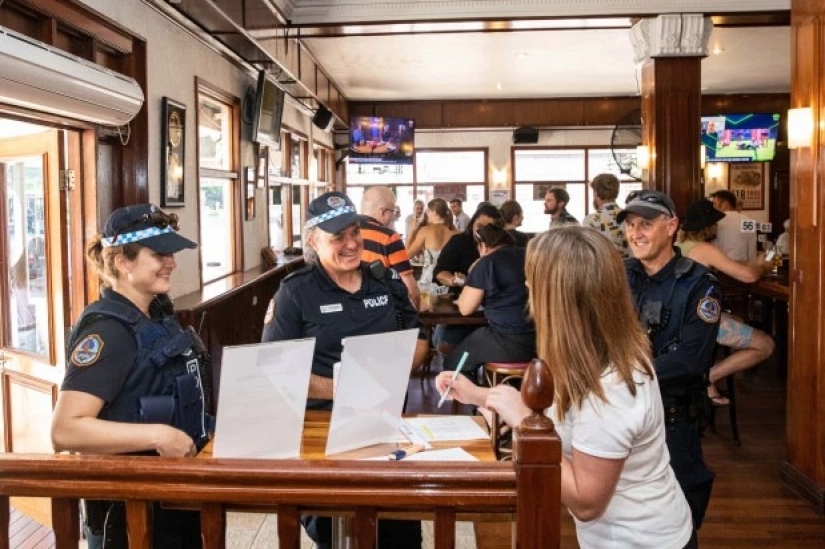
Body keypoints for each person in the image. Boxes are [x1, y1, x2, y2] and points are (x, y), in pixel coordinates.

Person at [436, 227, 694, 549]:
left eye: (532, 280)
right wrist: (481, 397)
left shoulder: (611, 388)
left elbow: (586, 503)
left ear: (558, 296)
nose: (527, 287)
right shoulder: (591, 353)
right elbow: (566, 425)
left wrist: (523, 423)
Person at [261, 191, 428, 549]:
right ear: (312, 240)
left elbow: (419, 340)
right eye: (339, 237)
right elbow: (274, 373)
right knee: (337, 535)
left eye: (355, 232)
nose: (352, 244)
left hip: (385, 428)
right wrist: (344, 388)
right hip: (322, 432)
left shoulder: (384, 281)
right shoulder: (294, 294)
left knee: (401, 531)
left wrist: (391, 375)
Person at [51, 203, 209, 549]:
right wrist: (158, 435)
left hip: (169, 499)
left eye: (171, 253)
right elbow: (65, 429)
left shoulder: (157, 315)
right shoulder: (110, 330)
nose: (171, 262)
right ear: (123, 262)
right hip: (128, 510)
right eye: (159, 253)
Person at [618, 190, 720, 533]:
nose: (636, 233)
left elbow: (689, 361)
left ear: (672, 226)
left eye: (646, 223)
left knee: (678, 527)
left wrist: (618, 377)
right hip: (621, 417)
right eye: (630, 225)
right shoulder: (619, 276)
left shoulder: (699, 284)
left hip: (673, 422)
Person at [676, 199, 775, 406]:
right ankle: (707, 377)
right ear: (709, 226)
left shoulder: (682, 244)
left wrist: (751, 265)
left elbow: (729, 265)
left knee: (738, 319)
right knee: (766, 344)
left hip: (682, 318)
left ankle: (701, 371)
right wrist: (764, 266)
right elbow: (749, 276)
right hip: (697, 323)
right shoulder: (703, 249)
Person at [441, 222, 535, 380]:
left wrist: (474, 269)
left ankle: (482, 400)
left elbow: (465, 308)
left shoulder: (487, 263)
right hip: (543, 339)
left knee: (453, 364)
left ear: (483, 246)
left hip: (506, 340)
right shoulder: (531, 256)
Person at [432, 204, 502, 355]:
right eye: (479, 226)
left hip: (494, 313)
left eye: (488, 227)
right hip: (460, 311)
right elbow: (439, 272)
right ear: (472, 225)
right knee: (445, 342)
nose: (482, 231)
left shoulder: (501, 247)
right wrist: (455, 280)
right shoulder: (460, 242)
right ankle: (457, 374)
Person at [359, 186, 420, 309]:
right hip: (382, 311)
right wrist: (416, 314)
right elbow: (410, 289)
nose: (394, 216)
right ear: (382, 212)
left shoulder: (344, 232)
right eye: (393, 211)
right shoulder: (388, 237)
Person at [405, 198, 459, 284]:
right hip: (450, 282)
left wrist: (412, 232)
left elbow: (406, 255)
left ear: (435, 212)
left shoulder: (425, 231)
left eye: (428, 211)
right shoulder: (458, 233)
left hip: (428, 282)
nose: (426, 213)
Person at [581, 173, 631, 257]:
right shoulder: (630, 217)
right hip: (633, 268)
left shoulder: (591, 221)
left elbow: (587, 254)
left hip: (603, 269)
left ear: (596, 193)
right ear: (617, 192)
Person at [710, 190, 757, 262]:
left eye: (714, 204)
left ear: (725, 204)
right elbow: (752, 247)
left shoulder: (715, 221)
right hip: (742, 266)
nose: (713, 207)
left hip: (720, 266)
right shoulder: (748, 220)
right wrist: (752, 266)